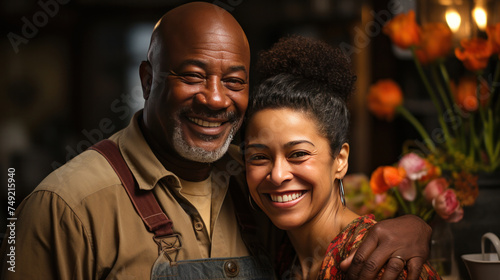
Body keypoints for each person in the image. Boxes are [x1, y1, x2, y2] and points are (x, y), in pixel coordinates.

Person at [1, 2, 431, 279]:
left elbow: (333, 209)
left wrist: (416, 228)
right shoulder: (65, 206)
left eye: (233, 81)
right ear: (148, 80)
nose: (214, 98)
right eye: (191, 76)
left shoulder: (257, 182)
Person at [243, 35, 440, 280]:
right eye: (259, 157)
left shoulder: (378, 265)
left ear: (340, 160)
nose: (278, 175)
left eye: (299, 154)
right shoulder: (282, 252)